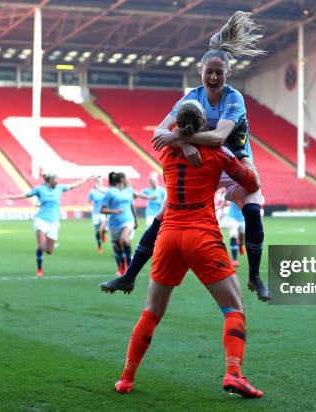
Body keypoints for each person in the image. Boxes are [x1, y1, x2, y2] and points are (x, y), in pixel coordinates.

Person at [100, 11, 271, 302]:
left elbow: (218, 139)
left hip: (232, 163)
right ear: (200, 71)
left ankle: (255, 276)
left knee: (252, 211)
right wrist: (185, 145)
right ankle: (129, 276)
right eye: (210, 71)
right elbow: (158, 131)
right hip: (202, 165)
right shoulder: (191, 96)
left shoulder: (234, 99)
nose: (214, 76)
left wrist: (181, 138)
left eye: (220, 72)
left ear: (227, 74)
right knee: (162, 217)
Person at [113, 99, 264, 398]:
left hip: (169, 235)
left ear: (178, 126)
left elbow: (168, 136)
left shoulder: (167, 152)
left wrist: (182, 140)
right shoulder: (217, 154)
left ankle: (126, 379)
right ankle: (234, 374)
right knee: (234, 308)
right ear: (204, 125)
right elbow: (251, 181)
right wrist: (238, 156)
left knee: (151, 312)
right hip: (201, 235)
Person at [2, 173, 90, 277]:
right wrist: (8, 197)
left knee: (49, 251)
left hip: (54, 221)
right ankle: (39, 269)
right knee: (40, 245)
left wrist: (86, 179)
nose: (58, 181)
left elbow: (74, 185)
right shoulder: (39, 189)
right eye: (56, 179)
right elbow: (25, 195)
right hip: (41, 219)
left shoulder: (60, 188)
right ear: (49, 181)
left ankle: (45, 247)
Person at [100, 172, 138, 276]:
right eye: (126, 177)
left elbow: (132, 206)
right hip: (114, 224)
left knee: (124, 240)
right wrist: (114, 211)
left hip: (127, 220)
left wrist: (135, 220)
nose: (128, 179)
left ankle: (130, 267)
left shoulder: (129, 190)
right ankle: (122, 265)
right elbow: (102, 210)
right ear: (121, 179)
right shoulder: (110, 192)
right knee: (118, 247)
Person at [222, 202, 246, 267]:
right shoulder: (232, 192)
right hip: (232, 218)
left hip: (243, 219)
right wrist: (221, 208)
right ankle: (235, 260)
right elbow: (225, 198)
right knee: (233, 235)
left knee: (242, 238)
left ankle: (240, 245)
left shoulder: (247, 193)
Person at [88, 176, 108, 253]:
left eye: (100, 180)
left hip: (103, 212)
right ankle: (99, 247)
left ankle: (103, 233)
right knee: (97, 231)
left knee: (102, 228)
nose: (99, 182)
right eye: (97, 181)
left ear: (102, 181)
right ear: (95, 181)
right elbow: (89, 201)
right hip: (95, 212)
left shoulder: (105, 190)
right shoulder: (92, 192)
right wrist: (91, 207)